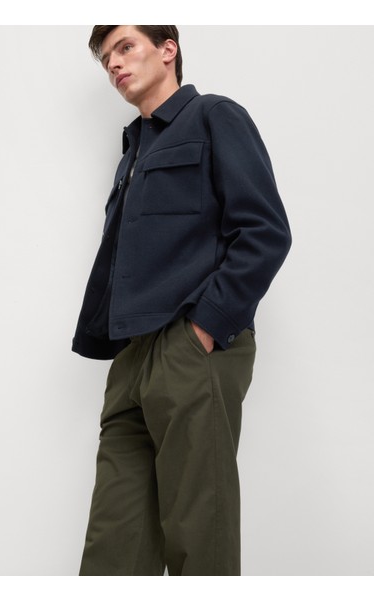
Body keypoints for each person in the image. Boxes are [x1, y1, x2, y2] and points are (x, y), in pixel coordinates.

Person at [72, 25, 292, 576]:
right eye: (106, 57)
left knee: (199, 538)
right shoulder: (133, 150)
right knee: (113, 544)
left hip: (189, 350)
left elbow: (265, 231)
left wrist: (205, 328)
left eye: (126, 47)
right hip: (131, 355)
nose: (114, 64)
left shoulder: (215, 116)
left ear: (168, 49)